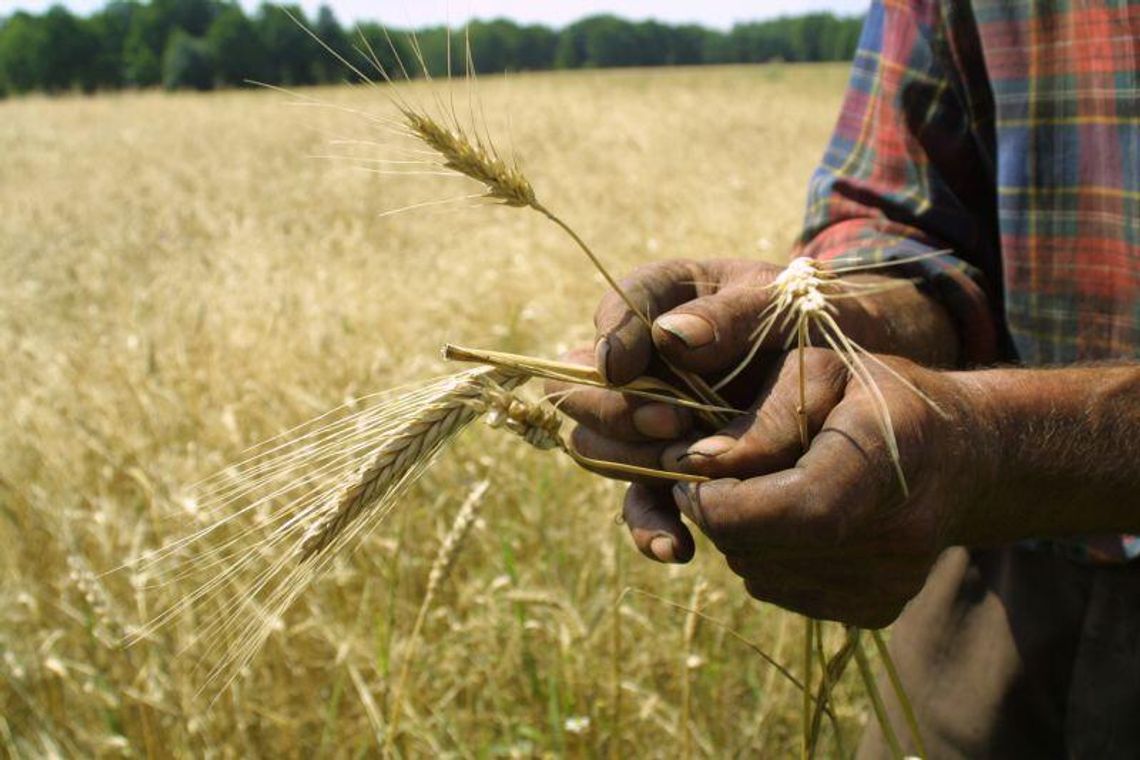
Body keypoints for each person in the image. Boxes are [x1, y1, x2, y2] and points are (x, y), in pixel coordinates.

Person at [548, 1, 1140, 756]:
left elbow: (986, 445)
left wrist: (1001, 448)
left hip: (977, 497)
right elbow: (904, 220)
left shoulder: (976, 462)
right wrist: (825, 328)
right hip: (991, 572)